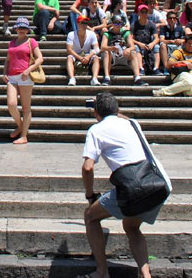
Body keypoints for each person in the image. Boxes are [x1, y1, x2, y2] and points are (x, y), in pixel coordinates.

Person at [82, 92, 169, 278]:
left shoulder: (96, 130)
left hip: (133, 189)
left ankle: (102, 272)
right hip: (158, 185)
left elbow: (88, 167)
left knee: (90, 216)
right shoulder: (133, 123)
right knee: (131, 226)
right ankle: (145, 275)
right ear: (118, 109)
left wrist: (90, 195)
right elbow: (121, 117)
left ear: (95, 112)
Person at [3, 17, 44, 144]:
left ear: (27, 30)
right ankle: (21, 126)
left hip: (25, 76)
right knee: (11, 104)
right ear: (16, 29)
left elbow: (40, 58)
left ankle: (24, 136)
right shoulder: (12, 43)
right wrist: (4, 72)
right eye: (20, 28)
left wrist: (28, 70)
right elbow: (8, 60)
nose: (22, 30)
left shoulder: (31, 42)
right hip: (12, 76)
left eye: (24, 28)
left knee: (26, 107)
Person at [100, 16, 146, 86]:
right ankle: (107, 77)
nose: (117, 25)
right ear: (112, 24)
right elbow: (102, 47)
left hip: (124, 54)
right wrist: (111, 48)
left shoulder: (126, 33)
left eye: (119, 23)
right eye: (115, 23)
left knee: (133, 52)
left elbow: (132, 46)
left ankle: (137, 78)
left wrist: (128, 49)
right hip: (112, 56)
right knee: (106, 52)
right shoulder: (107, 34)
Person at [66, 14, 101, 86]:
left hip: (87, 54)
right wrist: (80, 58)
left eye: (86, 23)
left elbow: (97, 48)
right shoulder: (71, 34)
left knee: (96, 58)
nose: (84, 25)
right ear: (78, 23)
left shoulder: (92, 34)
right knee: (69, 58)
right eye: (82, 23)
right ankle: (72, 78)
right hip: (75, 55)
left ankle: (94, 78)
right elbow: (69, 49)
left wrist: (88, 57)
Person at [129, 5, 162, 75]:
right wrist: (139, 44)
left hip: (149, 44)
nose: (144, 14)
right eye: (142, 12)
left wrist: (152, 44)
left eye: (146, 12)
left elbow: (156, 38)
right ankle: (141, 68)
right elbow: (130, 39)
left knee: (156, 47)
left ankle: (156, 68)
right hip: (138, 44)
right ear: (138, 13)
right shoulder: (133, 25)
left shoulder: (152, 24)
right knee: (136, 48)